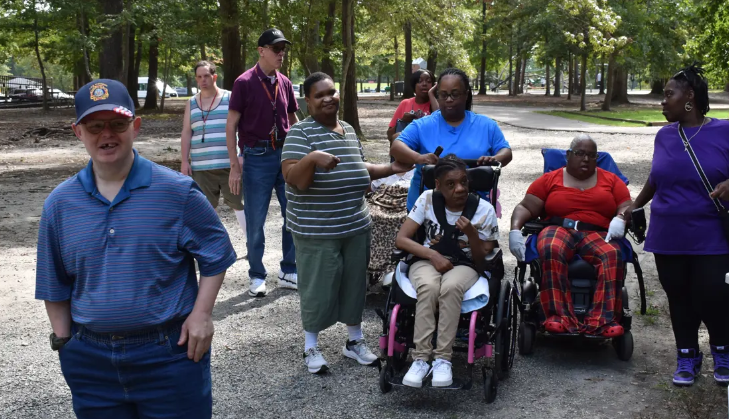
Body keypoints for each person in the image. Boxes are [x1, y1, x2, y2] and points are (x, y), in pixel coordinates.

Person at [36, 79, 236, 418]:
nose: (106, 134)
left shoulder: (176, 192)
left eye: (117, 123)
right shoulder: (60, 204)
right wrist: (65, 344)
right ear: (78, 132)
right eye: (94, 126)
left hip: (170, 356)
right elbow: (53, 284)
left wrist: (202, 314)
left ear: (136, 126)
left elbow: (216, 253)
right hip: (91, 363)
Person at [281, 72, 413, 374]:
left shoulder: (348, 130)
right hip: (317, 230)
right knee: (319, 288)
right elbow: (292, 178)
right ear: (307, 101)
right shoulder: (300, 133)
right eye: (319, 95)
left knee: (355, 285)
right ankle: (310, 347)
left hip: (355, 225)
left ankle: (354, 342)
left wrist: (391, 167)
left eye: (332, 92)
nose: (328, 98)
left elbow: (359, 167)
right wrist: (312, 158)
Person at [625, 64, 729, 387]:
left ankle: (722, 351)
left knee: (713, 294)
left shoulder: (723, 130)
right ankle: (687, 355)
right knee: (679, 297)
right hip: (668, 233)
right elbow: (656, 178)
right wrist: (635, 204)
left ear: (690, 97)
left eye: (669, 94)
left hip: (711, 232)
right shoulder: (664, 136)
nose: (663, 100)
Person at [509, 135, 631, 337]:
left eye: (592, 155)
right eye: (580, 153)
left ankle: (603, 320)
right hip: (558, 227)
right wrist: (514, 229)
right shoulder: (550, 179)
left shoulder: (611, 180)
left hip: (597, 232)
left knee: (612, 254)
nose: (586, 159)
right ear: (568, 155)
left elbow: (626, 205)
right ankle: (558, 317)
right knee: (551, 248)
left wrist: (621, 217)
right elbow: (525, 206)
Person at [395, 155, 499, 388]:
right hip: (427, 259)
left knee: (451, 287)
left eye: (464, 181)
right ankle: (421, 359)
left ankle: (443, 359)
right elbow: (401, 239)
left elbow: (483, 261)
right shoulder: (427, 200)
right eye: (451, 184)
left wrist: (472, 234)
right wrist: (432, 254)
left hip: (466, 264)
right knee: (429, 287)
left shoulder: (484, 210)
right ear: (438, 185)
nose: (460, 188)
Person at [226, 28, 299, 297]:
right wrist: (235, 165)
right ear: (261, 51)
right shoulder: (244, 82)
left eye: (283, 49)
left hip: (285, 156)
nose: (281, 53)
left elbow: (293, 121)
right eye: (276, 48)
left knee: (292, 213)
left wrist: (303, 151)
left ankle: (289, 269)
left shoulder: (286, 82)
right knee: (255, 220)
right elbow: (231, 124)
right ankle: (256, 275)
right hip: (255, 158)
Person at [389, 67, 512, 212]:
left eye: (455, 94)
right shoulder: (423, 125)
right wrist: (419, 158)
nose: (449, 100)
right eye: (443, 95)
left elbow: (506, 152)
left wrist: (495, 158)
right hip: (426, 208)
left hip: (475, 207)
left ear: (466, 95)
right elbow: (396, 147)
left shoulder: (486, 125)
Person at [181, 61, 247, 238]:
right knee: (206, 208)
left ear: (214, 77)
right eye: (199, 77)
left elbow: (243, 128)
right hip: (201, 167)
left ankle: (251, 245)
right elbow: (187, 132)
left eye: (206, 76)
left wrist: (241, 155)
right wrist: (184, 161)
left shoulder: (230, 98)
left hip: (229, 164)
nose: (203, 80)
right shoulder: (191, 103)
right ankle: (212, 247)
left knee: (238, 204)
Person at [386, 68, 438, 144]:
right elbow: (390, 135)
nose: (424, 84)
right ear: (414, 86)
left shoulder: (436, 104)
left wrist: (431, 94)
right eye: (420, 81)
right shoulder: (405, 103)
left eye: (429, 81)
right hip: (409, 147)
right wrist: (403, 121)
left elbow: (439, 118)